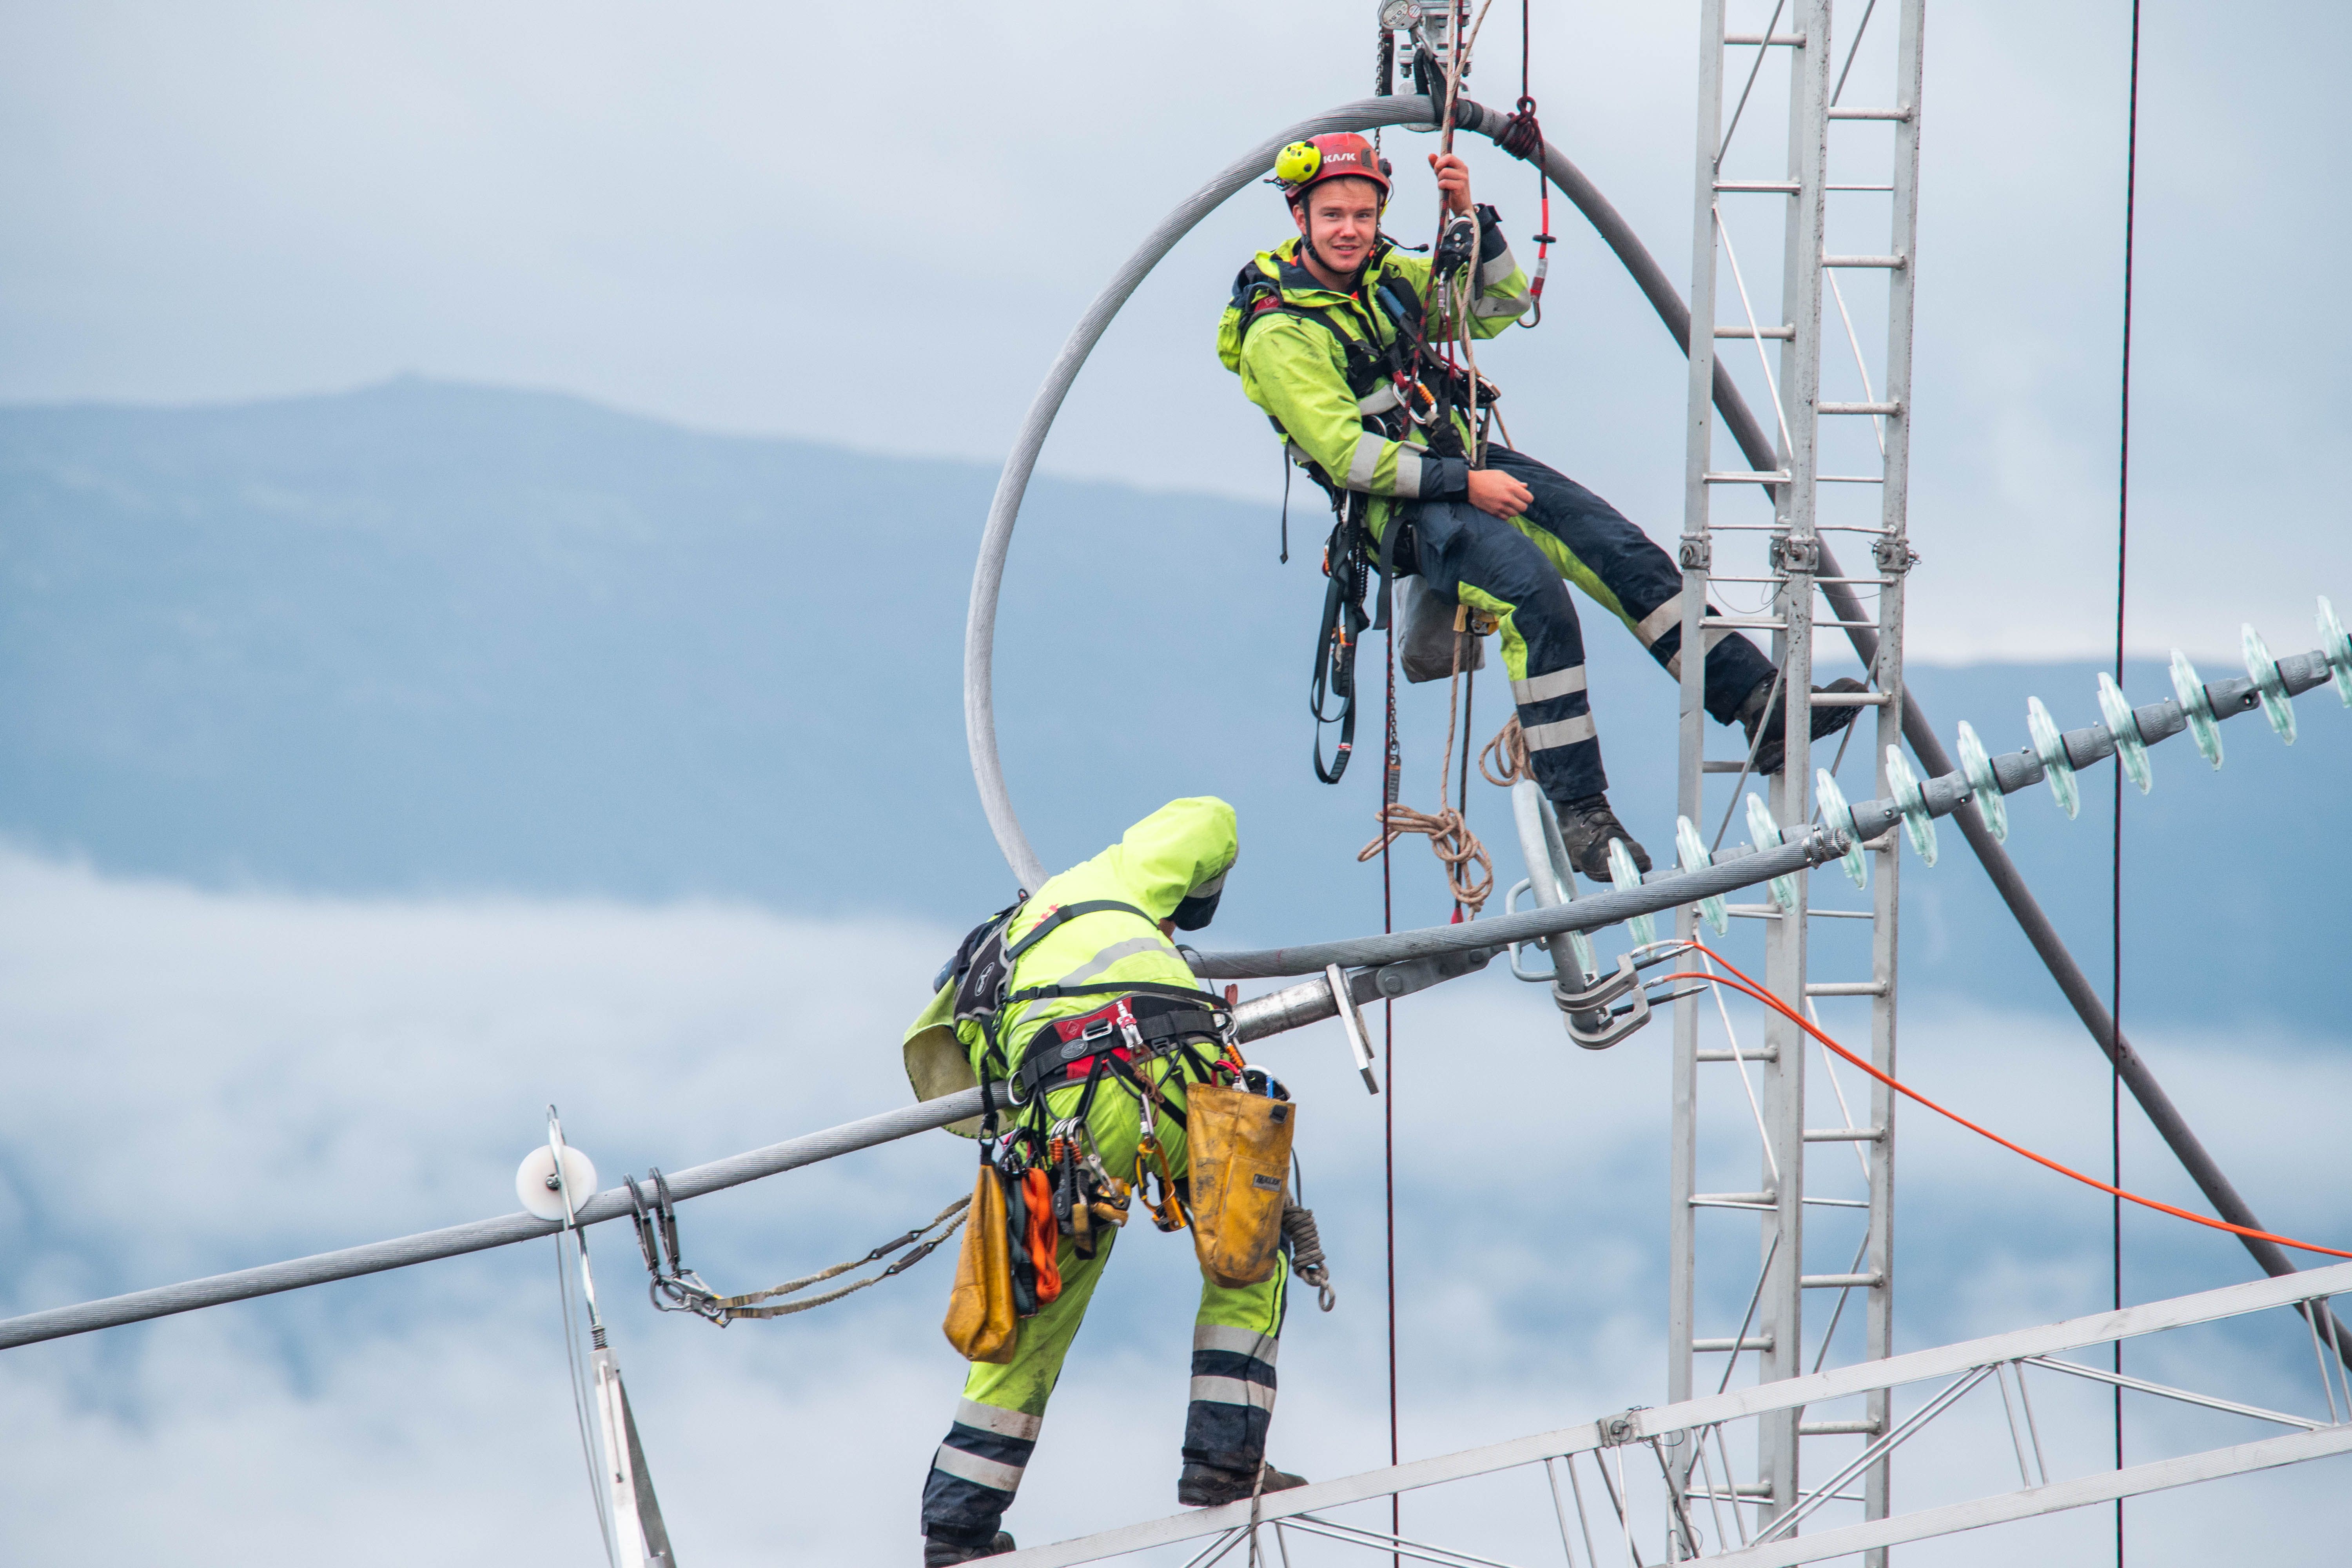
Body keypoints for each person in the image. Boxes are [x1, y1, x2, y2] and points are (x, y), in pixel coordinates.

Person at [1216, 132, 1860, 878]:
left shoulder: (1383, 276)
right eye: (1333, 215)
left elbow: (1496, 306)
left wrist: (1471, 220)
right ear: (1301, 217)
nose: (1351, 229)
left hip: (1463, 459)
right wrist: (1465, 486)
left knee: (1619, 550)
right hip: (1401, 508)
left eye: (1363, 213)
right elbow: (1346, 456)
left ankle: (1757, 704)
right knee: (1535, 599)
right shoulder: (1281, 329)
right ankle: (1584, 814)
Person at [902, 798, 1303, 1565]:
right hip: (1188, 1081)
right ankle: (1223, 1460)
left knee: (1036, 1314)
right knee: (1252, 1250)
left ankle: (958, 1528)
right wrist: (1193, 905)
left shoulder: (981, 987)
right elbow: (1210, 818)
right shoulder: (1108, 881)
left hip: (1074, 1120)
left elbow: (989, 1109)